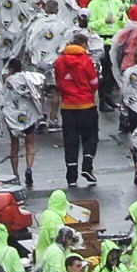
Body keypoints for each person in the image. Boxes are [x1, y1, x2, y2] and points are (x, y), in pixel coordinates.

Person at [54, 31, 101, 187]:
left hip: (68, 106)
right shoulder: (86, 61)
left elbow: (59, 83)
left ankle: (71, 176)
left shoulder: (59, 62)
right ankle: (87, 164)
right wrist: (88, 93)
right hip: (86, 105)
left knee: (70, 141)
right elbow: (94, 82)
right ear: (83, 45)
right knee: (91, 136)